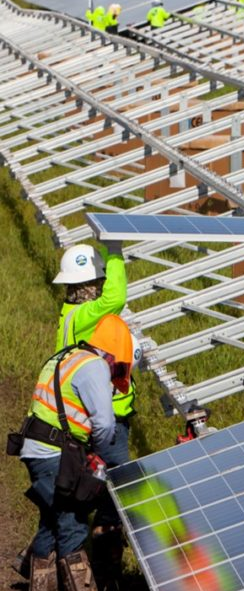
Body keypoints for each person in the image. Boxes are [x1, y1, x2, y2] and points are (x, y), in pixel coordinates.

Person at [17, 314, 135, 591]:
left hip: (37, 448)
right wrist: (97, 448)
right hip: (54, 453)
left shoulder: (68, 357)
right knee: (72, 524)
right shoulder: (94, 366)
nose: (115, 373)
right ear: (112, 355)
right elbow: (105, 423)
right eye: (118, 366)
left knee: (51, 521)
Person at [53, 243, 132, 570]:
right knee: (116, 484)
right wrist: (114, 252)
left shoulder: (71, 316)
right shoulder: (84, 315)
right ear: (88, 287)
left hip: (81, 414)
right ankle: (103, 554)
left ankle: (46, 552)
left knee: (84, 485)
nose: (99, 288)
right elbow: (115, 298)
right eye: (97, 282)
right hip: (102, 416)